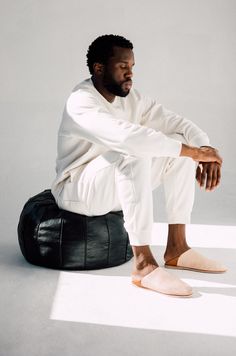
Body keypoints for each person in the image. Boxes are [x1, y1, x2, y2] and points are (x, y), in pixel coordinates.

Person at [51, 34, 227, 297]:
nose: (130, 74)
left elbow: (179, 125)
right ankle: (143, 265)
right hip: (78, 190)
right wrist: (194, 153)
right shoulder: (81, 101)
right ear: (99, 68)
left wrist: (204, 151)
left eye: (132, 67)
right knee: (133, 152)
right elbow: (127, 138)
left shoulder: (131, 98)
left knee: (177, 146)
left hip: (110, 184)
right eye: (123, 67)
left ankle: (177, 248)